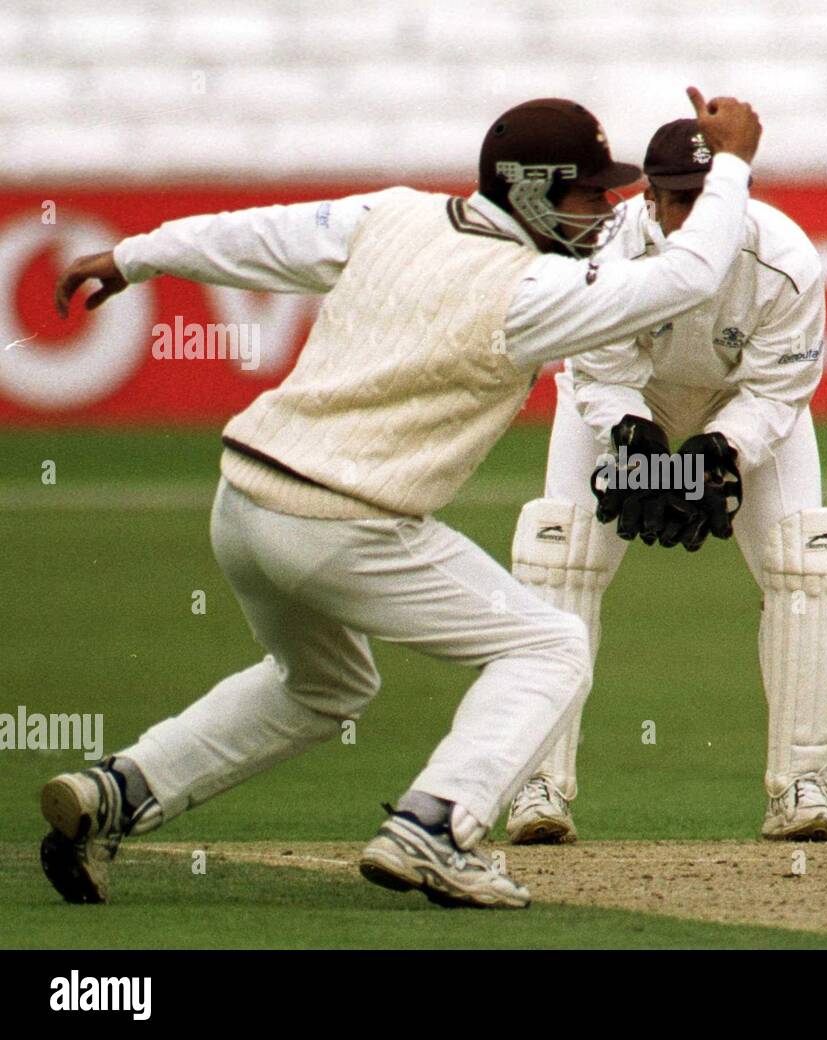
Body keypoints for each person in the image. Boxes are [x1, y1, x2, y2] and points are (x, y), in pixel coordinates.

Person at [42, 89, 762, 908]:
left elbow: (262, 235)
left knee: (323, 686)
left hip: (243, 499)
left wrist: (135, 255)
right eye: (590, 191)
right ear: (532, 190)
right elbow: (690, 276)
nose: (609, 206)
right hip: (342, 524)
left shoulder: (395, 214)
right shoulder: (533, 293)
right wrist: (734, 161)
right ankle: (438, 825)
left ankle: (116, 794)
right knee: (551, 646)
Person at [506, 117, 827, 845]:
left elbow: (778, 390)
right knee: (559, 552)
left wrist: (721, 452)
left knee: (809, 557)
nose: (689, 216)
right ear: (649, 198)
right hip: (629, 396)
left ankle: (803, 782)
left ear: (738, 192)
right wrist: (633, 436)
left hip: (741, 400)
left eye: (705, 196)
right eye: (674, 198)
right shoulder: (605, 247)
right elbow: (598, 373)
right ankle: (536, 783)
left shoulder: (785, 259)